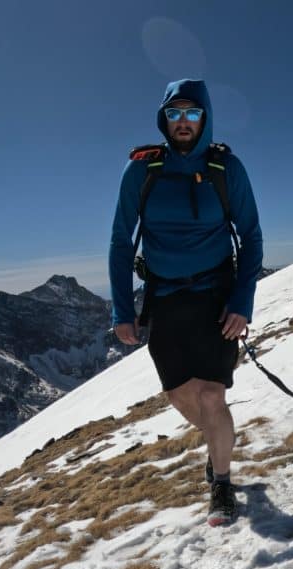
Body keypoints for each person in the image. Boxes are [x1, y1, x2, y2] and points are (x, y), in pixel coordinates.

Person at [108, 79, 263, 526]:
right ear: (163, 118)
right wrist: (123, 310)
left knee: (213, 395)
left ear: (205, 118)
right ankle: (218, 444)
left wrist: (242, 301)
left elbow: (251, 237)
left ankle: (221, 482)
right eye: (174, 113)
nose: (182, 122)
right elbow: (120, 242)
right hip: (165, 296)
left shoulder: (225, 168)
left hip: (216, 294)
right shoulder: (141, 170)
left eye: (191, 113)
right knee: (181, 395)